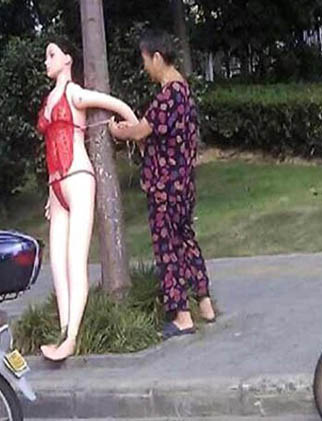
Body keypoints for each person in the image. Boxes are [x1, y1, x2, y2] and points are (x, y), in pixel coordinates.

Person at [108, 30, 216, 339]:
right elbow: (158, 133)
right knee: (186, 239)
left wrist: (118, 131)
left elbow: (139, 132)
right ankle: (205, 303)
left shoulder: (166, 98)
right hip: (185, 184)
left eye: (145, 60)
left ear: (157, 58)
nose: (145, 67)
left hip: (164, 187)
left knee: (167, 247)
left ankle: (181, 315)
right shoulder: (185, 93)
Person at [36, 39, 139, 361]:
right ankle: (64, 331)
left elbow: (116, 103)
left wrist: (133, 129)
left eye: (52, 54)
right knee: (57, 263)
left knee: (75, 260)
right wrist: (50, 193)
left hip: (78, 177)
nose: (47, 61)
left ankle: (72, 336)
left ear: (67, 59)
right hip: (56, 186)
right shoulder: (50, 99)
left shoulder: (75, 94)